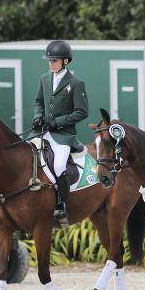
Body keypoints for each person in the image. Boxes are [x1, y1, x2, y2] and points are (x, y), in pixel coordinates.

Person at [32, 40, 88, 227]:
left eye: (54, 60)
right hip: (43, 131)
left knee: (58, 166)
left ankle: (62, 205)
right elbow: (39, 102)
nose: (51, 63)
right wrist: (38, 117)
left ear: (65, 61)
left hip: (63, 135)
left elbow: (82, 112)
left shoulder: (76, 83)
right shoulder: (44, 78)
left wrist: (57, 122)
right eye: (49, 60)